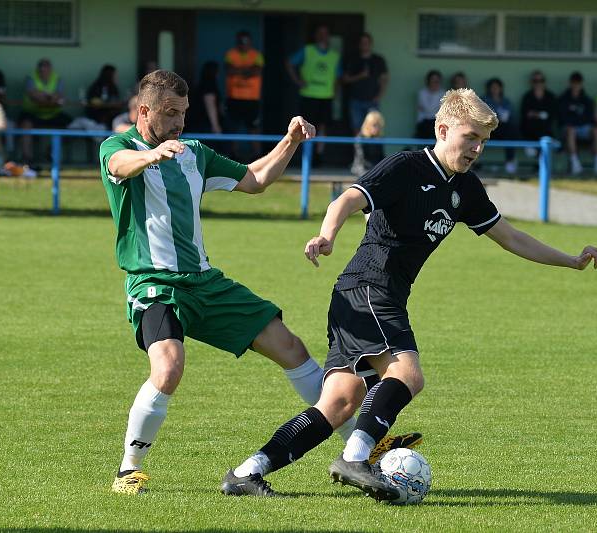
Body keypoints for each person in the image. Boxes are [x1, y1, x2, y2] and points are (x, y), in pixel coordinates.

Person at [221, 88, 597, 499]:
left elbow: (510, 237)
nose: (477, 148)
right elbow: (347, 199)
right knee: (407, 373)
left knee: (338, 403)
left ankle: (247, 473)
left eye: (482, 141)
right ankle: (355, 459)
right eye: (470, 137)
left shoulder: (466, 188)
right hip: (368, 291)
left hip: (368, 298)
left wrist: (570, 260)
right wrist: (326, 235)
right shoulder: (407, 167)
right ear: (442, 129)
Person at [100, 70, 417, 496]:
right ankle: (128, 470)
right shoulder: (119, 147)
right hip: (154, 284)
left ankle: (365, 448)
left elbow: (256, 179)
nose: (179, 122)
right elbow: (119, 166)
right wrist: (151, 157)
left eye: (183, 113)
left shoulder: (193, 152)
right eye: (170, 113)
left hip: (205, 283)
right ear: (144, 110)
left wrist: (290, 141)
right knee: (169, 367)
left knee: (292, 348)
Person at [286, 25, 341, 161]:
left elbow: (338, 76)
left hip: (326, 96)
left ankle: (318, 156)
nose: (323, 36)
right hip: (308, 95)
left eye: (325, 33)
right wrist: (298, 81)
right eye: (320, 33)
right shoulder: (307, 50)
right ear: (316, 35)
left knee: (323, 128)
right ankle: (306, 157)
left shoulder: (334, 55)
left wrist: (334, 90)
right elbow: (289, 63)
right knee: (305, 127)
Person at [19, 58, 72, 165]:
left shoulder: (57, 79)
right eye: (42, 70)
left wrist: (44, 96)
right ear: (38, 70)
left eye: (46, 70)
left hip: (53, 114)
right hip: (33, 113)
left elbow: (59, 95)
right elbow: (33, 94)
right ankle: (27, 158)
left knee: (73, 126)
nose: (44, 72)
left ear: (50, 69)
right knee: (25, 125)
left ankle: (51, 150)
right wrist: (49, 97)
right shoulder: (31, 78)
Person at [224, 30, 264, 158]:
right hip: (234, 97)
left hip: (252, 99)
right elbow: (229, 70)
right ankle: (233, 155)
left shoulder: (257, 55)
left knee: (253, 128)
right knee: (233, 127)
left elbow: (257, 71)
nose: (243, 45)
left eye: (246, 42)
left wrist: (239, 70)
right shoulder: (231, 54)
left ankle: (257, 155)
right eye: (241, 42)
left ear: (250, 42)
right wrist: (248, 69)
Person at [557, 71, 597, 175]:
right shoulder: (563, 99)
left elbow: (589, 118)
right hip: (568, 130)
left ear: (581, 84)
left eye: (578, 83)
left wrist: (578, 121)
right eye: (574, 82)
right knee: (571, 129)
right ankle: (575, 164)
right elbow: (563, 118)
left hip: (583, 128)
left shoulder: (586, 100)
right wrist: (576, 121)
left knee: (596, 130)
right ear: (570, 83)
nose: (576, 85)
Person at [342, 33, 389, 134]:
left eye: (367, 42)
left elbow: (384, 79)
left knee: (375, 128)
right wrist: (360, 76)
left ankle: (372, 150)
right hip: (356, 100)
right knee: (357, 128)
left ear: (371, 44)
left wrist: (379, 96)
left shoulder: (378, 60)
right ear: (359, 44)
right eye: (362, 43)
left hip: (372, 100)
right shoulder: (353, 59)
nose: (364, 45)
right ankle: (358, 150)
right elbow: (345, 79)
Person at [481, 78, 517, 174]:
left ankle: (510, 161)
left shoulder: (506, 101)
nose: (495, 89)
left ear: (501, 89)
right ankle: (475, 163)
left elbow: (512, 117)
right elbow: (481, 117)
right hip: (489, 130)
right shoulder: (483, 100)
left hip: (504, 129)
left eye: (497, 87)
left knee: (511, 130)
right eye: (493, 87)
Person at [520, 70, 556, 157]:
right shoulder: (527, 97)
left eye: (541, 80)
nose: (538, 83)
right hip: (529, 134)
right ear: (531, 83)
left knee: (549, 147)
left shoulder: (550, 97)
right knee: (530, 152)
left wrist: (534, 114)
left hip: (546, 133)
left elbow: (552, 115)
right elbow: (525, 115)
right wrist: (540, 115)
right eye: (535, 81)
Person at [188, 61, 224, 135]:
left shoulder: (201, 85)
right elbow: (210, 105)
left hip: (198, 123)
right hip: (204, 125)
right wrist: (215, 126)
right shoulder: (209, 86)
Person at [351, 110, 385, 178]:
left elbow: (381, 157)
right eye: (374, 125)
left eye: (379, 125)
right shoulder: (360, 138)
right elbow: (361, 158)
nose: (377, 128)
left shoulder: (379, 138)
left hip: (375, 167)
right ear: (368, 124)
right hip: (361, 167)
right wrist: (376, 169)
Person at [415, 70, 442, 140]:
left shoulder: (443, 93)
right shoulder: (422, 93)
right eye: (433, 80)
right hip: (423, 124)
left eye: (437, 81)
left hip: (437, 123)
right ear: (428, 81)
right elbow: (429, 109)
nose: (435, 83)